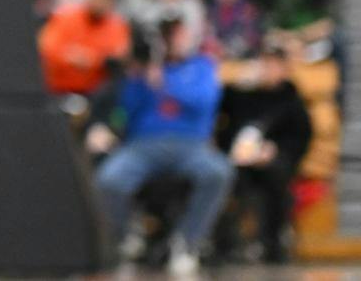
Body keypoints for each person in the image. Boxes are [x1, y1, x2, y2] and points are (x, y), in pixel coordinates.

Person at [87, 17, 232, 274]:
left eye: (179, 35)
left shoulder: (201, 66)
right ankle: (128, 235)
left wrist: (165, 83)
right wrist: (137, 78)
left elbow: (204, 102)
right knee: (109, 179)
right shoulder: (143, 70)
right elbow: (126, 113)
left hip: (191, 145)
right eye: (169, 36)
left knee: (218, 172)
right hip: (143, 145)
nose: (175, 41)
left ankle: (187, 242)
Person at [216, 47, 313, 263]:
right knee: (224, 179)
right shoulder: (241, 95)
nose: (268, 70)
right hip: (238, 162)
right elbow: (222, 117)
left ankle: (273, 241)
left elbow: (301, 137)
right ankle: (227, 245)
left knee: (276, 181)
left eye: (274, 65)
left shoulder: (291, 101)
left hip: (274, 162)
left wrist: (275, 151)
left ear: (284, 70)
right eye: (265, 64)